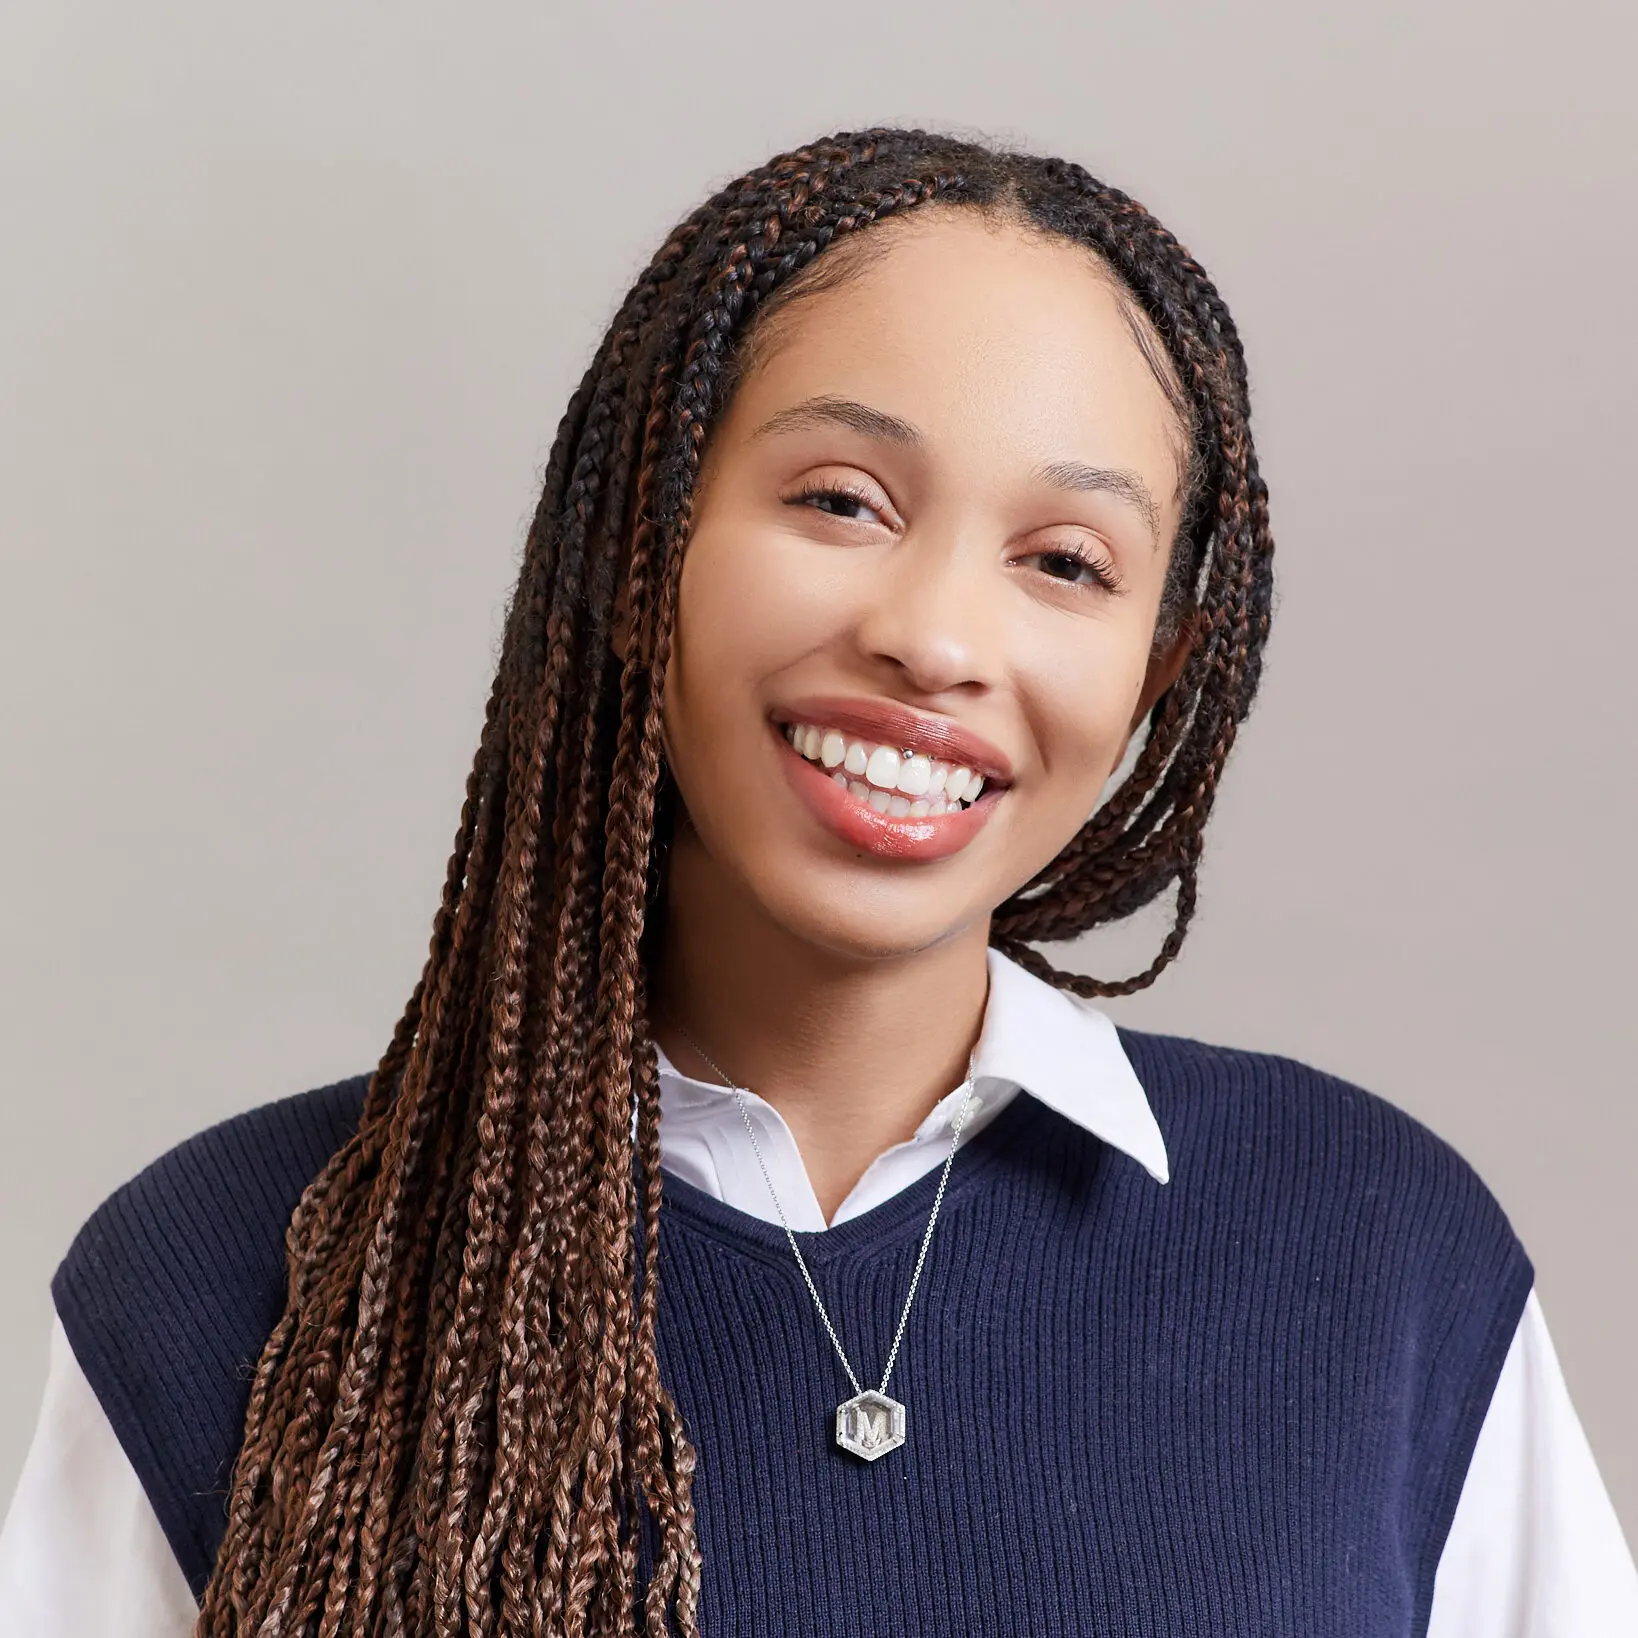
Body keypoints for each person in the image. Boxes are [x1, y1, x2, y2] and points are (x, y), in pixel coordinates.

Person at [0, 125, 1633, 1637]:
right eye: (841, 501)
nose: (933, 635)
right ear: (640, 548)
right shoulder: (219, 1275)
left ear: (1156, 673)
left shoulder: (1377, 1254)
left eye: (1065, 562)